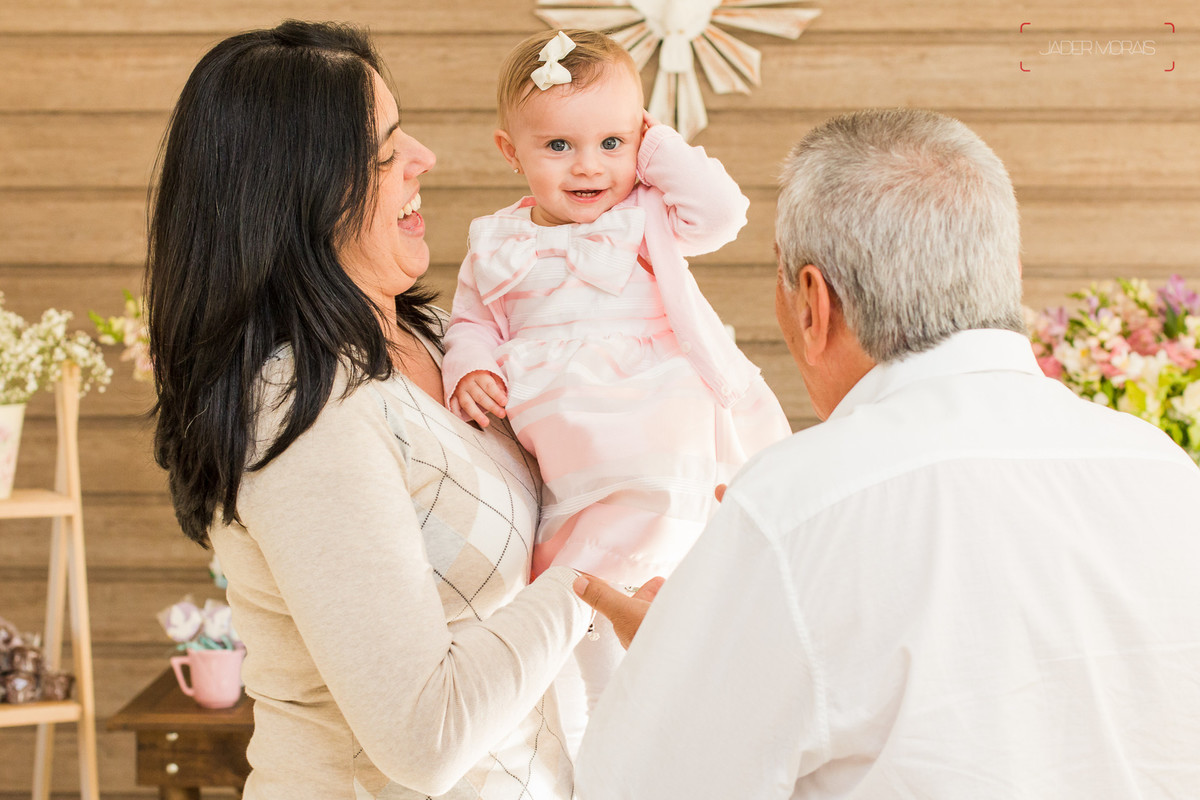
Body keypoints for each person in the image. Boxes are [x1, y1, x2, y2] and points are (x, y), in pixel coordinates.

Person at [574, 108, 1200, 798]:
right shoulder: (1168, 474)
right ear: (1010, 276)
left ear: (812, 302)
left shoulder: (792, 504)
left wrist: (683, 662)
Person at [145, 21, 626, 799]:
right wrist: (600, 570)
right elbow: (423, 738)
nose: (423, 158)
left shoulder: (433, 338)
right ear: (298, 196)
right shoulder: (302, 410)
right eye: (384, 152)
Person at [440, 28, 790, 735]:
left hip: (656, 417)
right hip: (568, 443)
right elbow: (470, 322)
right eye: (558, 145)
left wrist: (653, 145)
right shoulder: (497, 242)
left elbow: (723, 211)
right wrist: (471, 366)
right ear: (511, 151)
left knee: (672, 551)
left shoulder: (646, 215)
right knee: (582, 584)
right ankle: (595, 720)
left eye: (611, 143)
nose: (588, 166)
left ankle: (685, 708)